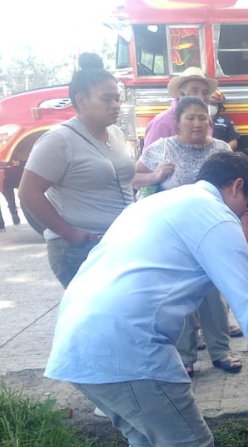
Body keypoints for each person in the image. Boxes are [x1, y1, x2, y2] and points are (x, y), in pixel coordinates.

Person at [44, 152, 248, 447]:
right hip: (127, 351)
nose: (243, 218)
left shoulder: (155, 204)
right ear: (236, 186)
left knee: (145, 440)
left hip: (75, 346)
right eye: (247, 208)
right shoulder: (215, 215)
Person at [134, 95, 244, 376]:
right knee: (179, 295)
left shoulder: (221, 149)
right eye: (190, 117)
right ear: (178, 122)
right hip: (173, 236)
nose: (197, 123)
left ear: (210, 121)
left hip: (212, 234)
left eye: (202, 117)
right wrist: (156, 175)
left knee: (213, 293)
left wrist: (243, 225)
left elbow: (238, 190)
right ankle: (185, 356)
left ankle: (221, 351)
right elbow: (132, 178)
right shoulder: (161, 148)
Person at [18, 53, 134, 288]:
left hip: (116, 243)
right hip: (80, 248)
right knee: (95, 318)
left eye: (117, 99)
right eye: (106, 99)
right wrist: (69, 233)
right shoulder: (59, 140)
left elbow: (122, 178)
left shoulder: (115, 134)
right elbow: (28, 192)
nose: (115, 105)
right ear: (81, 100)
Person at [143, 66, 217, 150]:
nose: (201, 96)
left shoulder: (207, 120)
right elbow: (149, 159)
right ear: (181, 94)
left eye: (205, 92)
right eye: (195, 91)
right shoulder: (162, 122)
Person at [0, 161, 23, 230]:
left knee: (10, 199)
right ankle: (14, 216)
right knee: (10, 200)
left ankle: (1, 224)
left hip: (5, 176)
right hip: (5, 176)